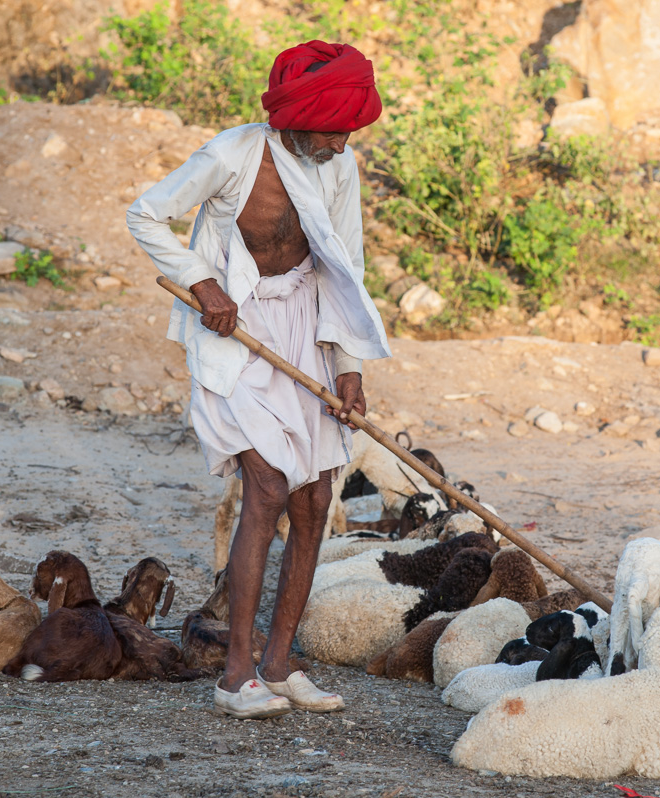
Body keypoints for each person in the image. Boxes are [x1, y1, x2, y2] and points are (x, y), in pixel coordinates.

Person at [126, 41, 390, 719]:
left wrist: (350, 369)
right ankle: (233, 674)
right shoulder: (232, 155)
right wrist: (201, 283)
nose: (345, 143)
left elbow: (346, 269)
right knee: (268, 486)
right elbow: (146, 214)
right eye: (336, 130)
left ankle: (279, 661)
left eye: (350, 132)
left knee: (314, 497)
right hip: (235, 332)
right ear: (299, 121)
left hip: (306, 325)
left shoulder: (338, 166)